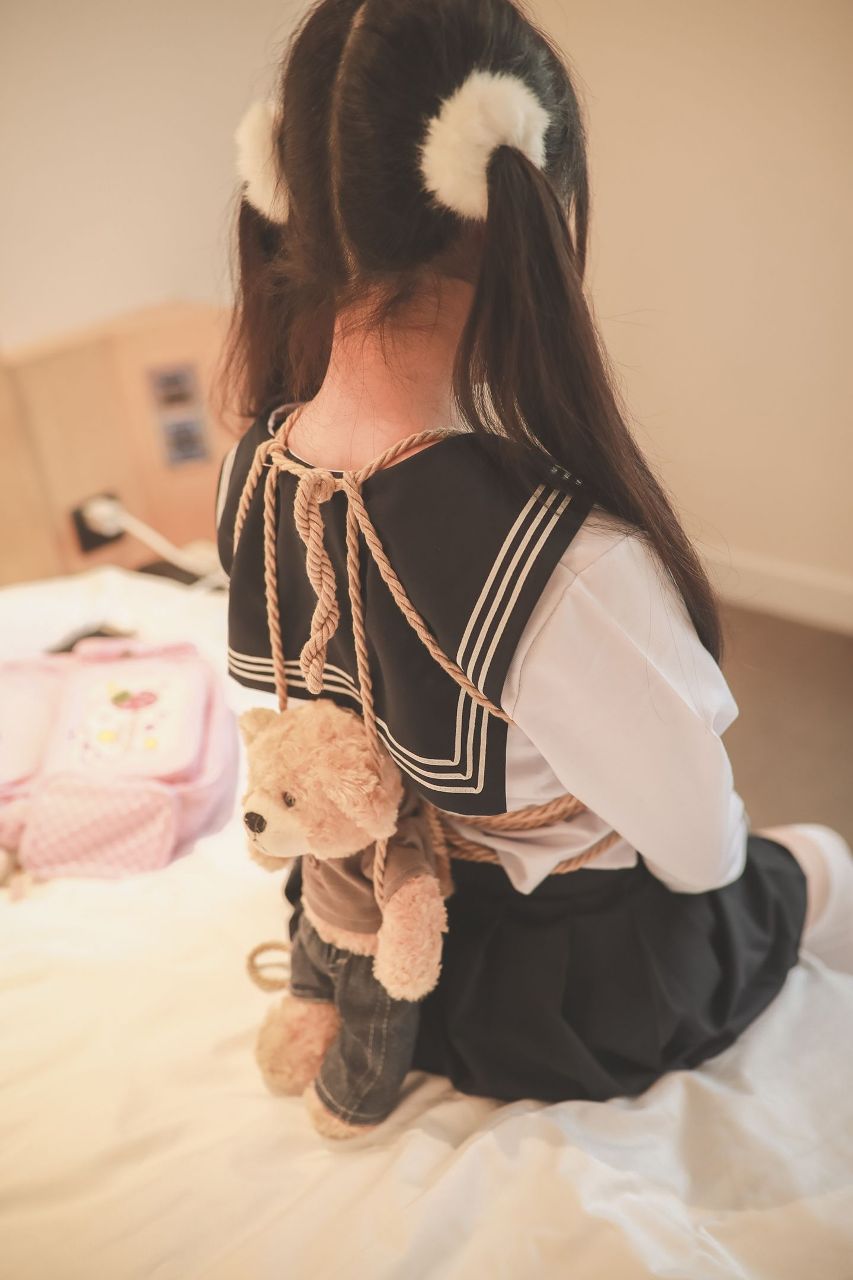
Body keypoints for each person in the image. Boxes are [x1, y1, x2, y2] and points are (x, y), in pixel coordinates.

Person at [216, 0, 853, 1116]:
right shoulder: (567, 564)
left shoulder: (255, 472)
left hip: (387, 944)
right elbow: (700, 853)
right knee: (822, 860)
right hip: (562, 998)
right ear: (515, 206)